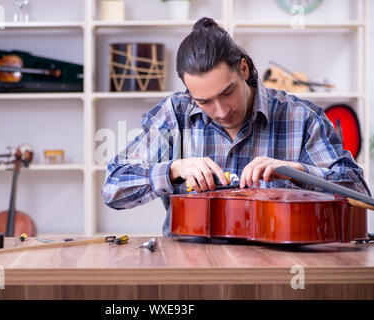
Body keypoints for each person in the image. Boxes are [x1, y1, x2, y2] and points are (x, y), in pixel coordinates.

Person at [101, 17, 371, 237]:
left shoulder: (301, 117)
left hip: (279, 267)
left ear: (243, 69)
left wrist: (298, 173)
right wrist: (173, 170)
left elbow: (360, 195)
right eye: (204, 101)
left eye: (227, 92)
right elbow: (113, 189)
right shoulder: (174, 113)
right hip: (189, 267)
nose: (221, 111)